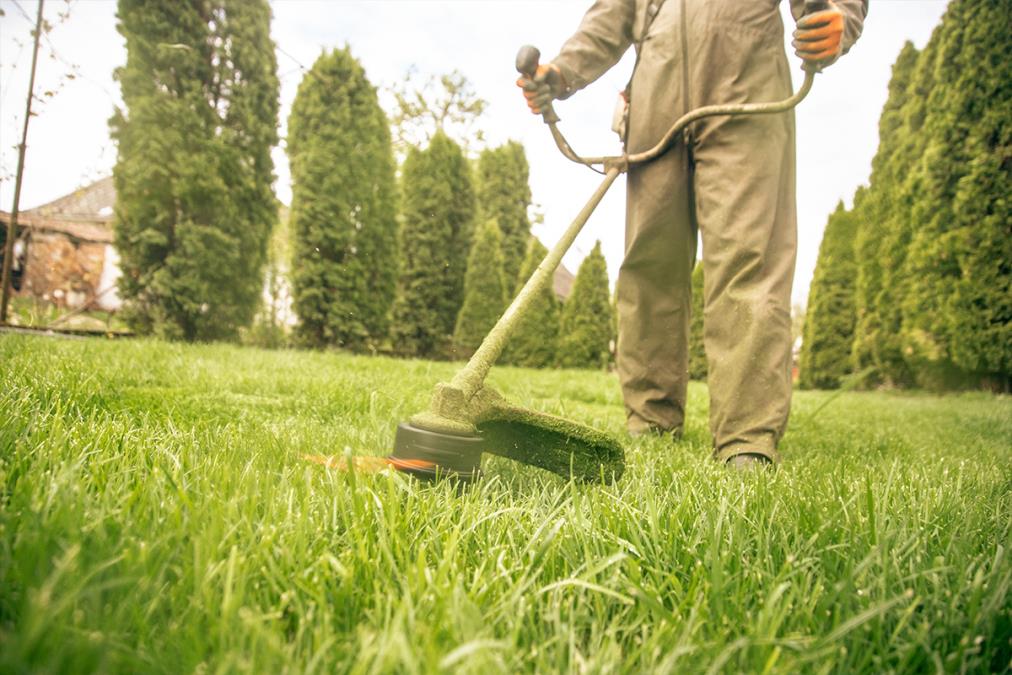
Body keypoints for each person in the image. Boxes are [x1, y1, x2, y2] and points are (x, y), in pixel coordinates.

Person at [518, 0, 867, 467]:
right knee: (648, 264)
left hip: (747, 86)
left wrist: (839, 18)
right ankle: (650, 418)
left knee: (749, 258)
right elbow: (612, 15)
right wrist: (561, 72)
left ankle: (746, 438)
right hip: (654, 96)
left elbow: (827, 8)